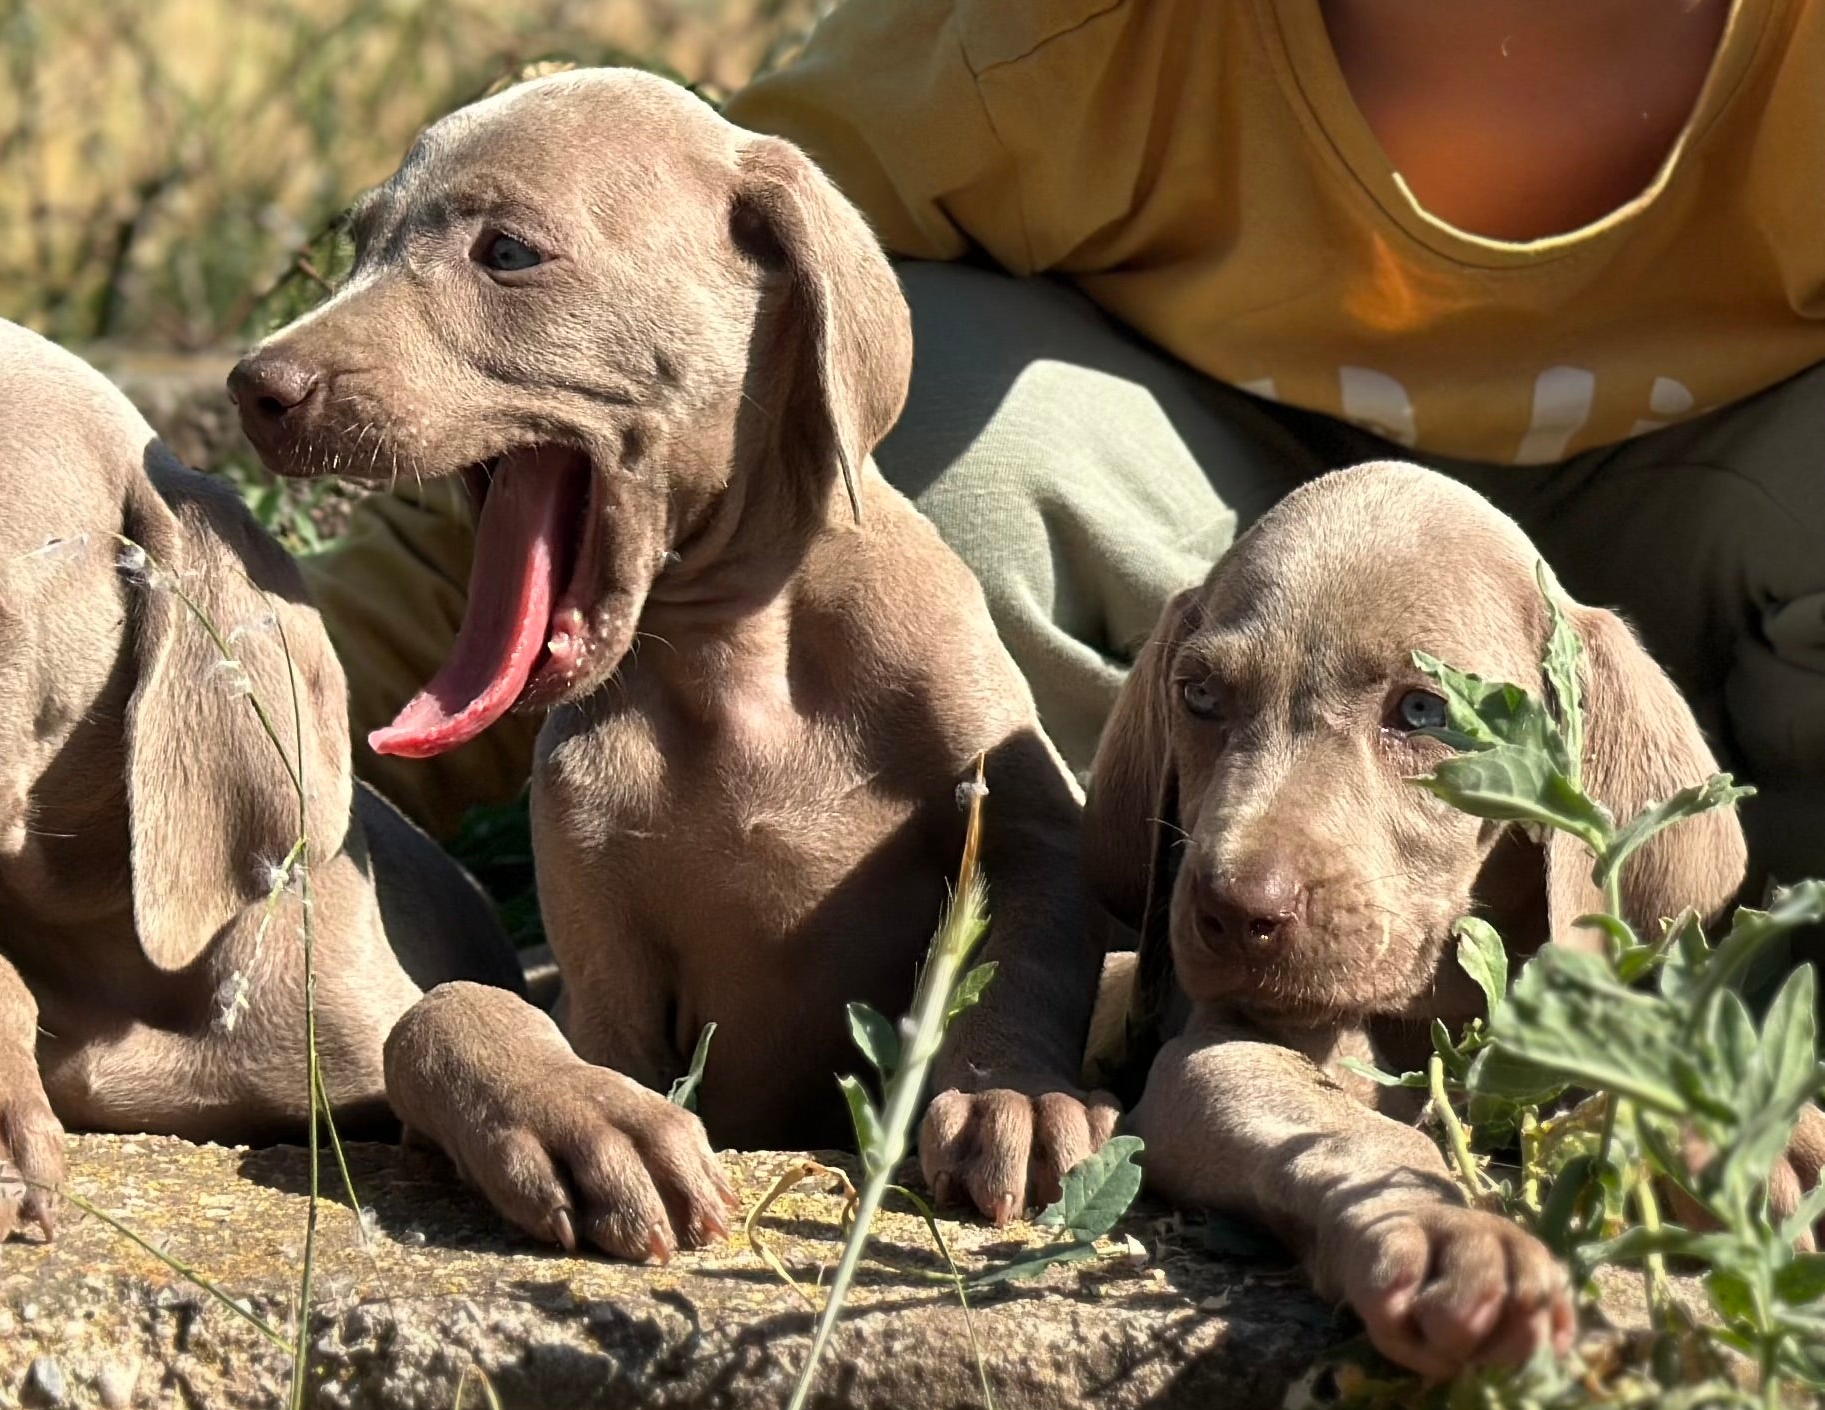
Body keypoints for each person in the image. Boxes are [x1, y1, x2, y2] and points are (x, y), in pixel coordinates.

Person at [299, 0, 1823, 903]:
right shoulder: (1045, 39)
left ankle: (1739, 988)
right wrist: (275, 754)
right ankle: (1108, 944)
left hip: (1735, 579)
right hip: (1226, 616)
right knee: (922, 432)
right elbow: (626, 381)